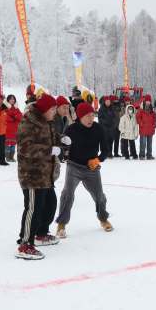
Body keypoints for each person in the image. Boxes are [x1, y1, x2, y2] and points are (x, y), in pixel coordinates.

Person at [54, 101, 112, 238]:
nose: (91, 118)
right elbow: (62, 146)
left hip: (92, 168)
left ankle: (103, 218)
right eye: (87, 116)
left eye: (93, 115)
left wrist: (98, 159)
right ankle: (61, 225)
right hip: (74, 166)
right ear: (80, 117)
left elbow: (105, 149)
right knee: (67, 194)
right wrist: (63, 154)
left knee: (99, 195)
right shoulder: (71, 129)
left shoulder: (98, 129)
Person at [16, 92, 61, 259]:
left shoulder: (47, 121)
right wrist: (49, 150)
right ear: (45, 109)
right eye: (53, 109)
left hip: (46, 173)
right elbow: (24, 148)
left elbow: (52, 139)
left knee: (50, 204)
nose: (55, 112)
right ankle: (25, 243)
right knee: (33, 209)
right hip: (32, 174)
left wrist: (61, 140)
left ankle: (40, 233)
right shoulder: (29, 122)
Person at [4, 94, 22, 163]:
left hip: (15, 129)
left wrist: (14, 117)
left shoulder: (16, 108)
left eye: (13, 99)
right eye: (11, 99)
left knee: (13, 144)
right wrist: (13, 118)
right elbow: (5, 116)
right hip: (7, 129)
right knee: (7, 144)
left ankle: (12, 157)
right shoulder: (5, 108)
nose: (12, 100)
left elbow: (20, 116)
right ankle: (7, 157)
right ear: (8, 100)